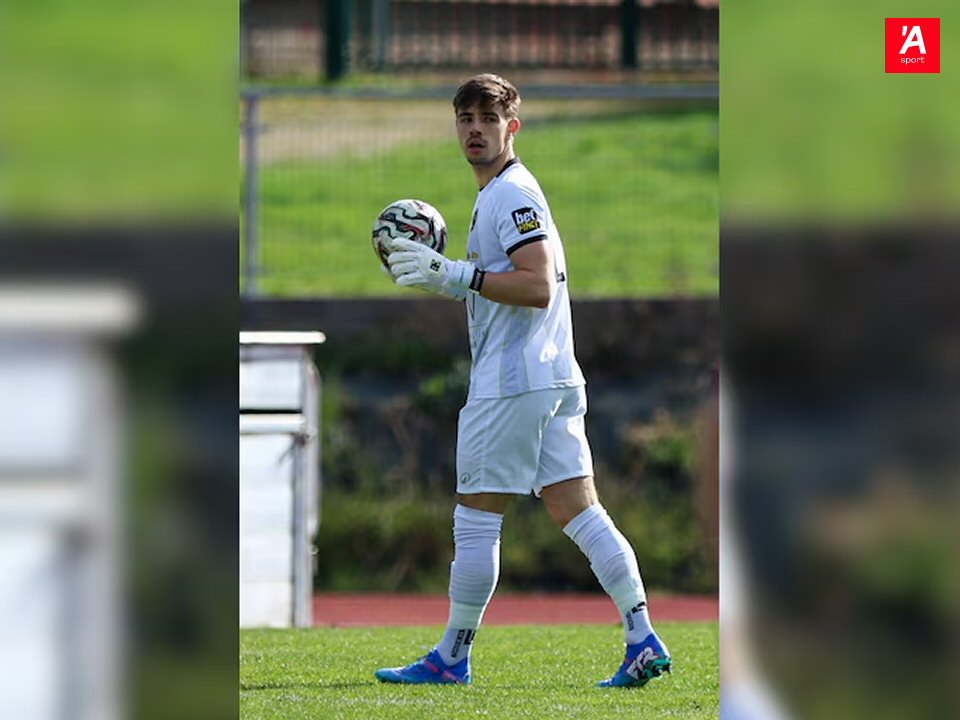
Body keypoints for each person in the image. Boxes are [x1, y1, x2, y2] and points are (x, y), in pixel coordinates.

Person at [375, 73, 672, 688]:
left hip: (512, 381)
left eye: (488, 119)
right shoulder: (503, 193)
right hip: (553, 374)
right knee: (576, 507)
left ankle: (451, 658)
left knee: (477, 520)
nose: (475, 130)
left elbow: (536, 286)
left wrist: (458, 276)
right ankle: (642, 636)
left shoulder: (511, 193)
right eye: (465, 119)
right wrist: (455, 276)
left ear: (514, 126)